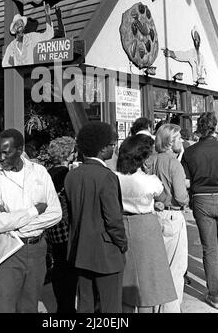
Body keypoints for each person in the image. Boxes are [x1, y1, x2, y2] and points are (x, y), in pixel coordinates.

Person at [0, 128, 62, 313]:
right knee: (5, 307)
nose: (1, 157)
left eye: (6, 152)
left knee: (29, 307)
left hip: (36, 249)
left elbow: (56, 213)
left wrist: (16, 223)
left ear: (20, 149)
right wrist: (34, 211)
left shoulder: (39, 172)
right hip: (7, 251)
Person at [64, 122, 128, 313]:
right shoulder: (107, 177)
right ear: (102, 148)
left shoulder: (72, 176)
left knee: (85, 304)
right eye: (112, 144)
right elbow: (113, 220)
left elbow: (69, 215)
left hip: (80, 251)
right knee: (110, 308)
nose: (114, 148)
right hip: (106, 253)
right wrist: (122, 244)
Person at [115, 134, 177, 313]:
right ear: (143, 158)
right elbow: (165, 198)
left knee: (127, 281)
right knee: (148, 285)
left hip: (122, 224)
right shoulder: (150, 181)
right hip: (146, 227)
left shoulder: (115, 177)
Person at [181, 112, 218, 311]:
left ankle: (216, 296)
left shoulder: (190, 152)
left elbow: (185, 182)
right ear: (215, 126)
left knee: (210, 250)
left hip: (201, 199)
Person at [145, 123, 189, 313]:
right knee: (175, 269)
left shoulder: (150, 161)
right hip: (173, 214)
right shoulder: (174, 163)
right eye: (178, 137)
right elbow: (180, 196)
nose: (181, 141)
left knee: (158, 268)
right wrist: (187, 197)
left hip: (155, 214)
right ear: (170, 142)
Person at [46, 136, 77, 313]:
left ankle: (61, 306)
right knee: (69, 269)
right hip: (65, 226)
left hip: (52, 226)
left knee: (58, 266)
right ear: (68, 154)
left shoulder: (48, 173)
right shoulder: (66, 175)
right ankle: (67, 308)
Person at [2, 2, 54, 67]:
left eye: (21, 23)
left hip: (32, 73)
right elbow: (4, 63)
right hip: (19, 76)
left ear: (24, 26)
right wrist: (15, 71)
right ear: (14, 29)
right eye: (17, 24)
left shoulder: (32, 37)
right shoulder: (11, 45)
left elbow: (49, 34)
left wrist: (47, 15)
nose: (19, 24)